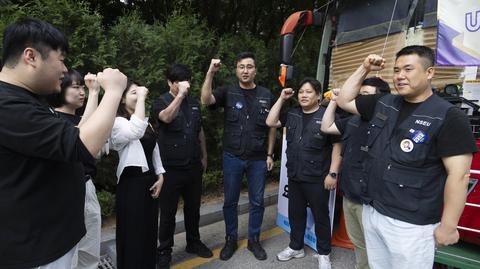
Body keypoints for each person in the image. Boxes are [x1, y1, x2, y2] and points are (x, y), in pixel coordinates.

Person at [0, 18, 127, 269]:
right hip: (38, 252)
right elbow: (81, 145)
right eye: (61, 59)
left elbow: (73, 135)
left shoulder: (28, 100)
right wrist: (113, 92)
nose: (64, 69)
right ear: (31, 56)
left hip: (52, 242)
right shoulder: (7, 104)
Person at [336, 45, 478, 268]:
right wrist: (364, 68)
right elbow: (344, 100)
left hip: (410, 225)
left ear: (429, 72)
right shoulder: (384, 101)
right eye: (396, 70)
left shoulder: (448, 116)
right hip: (373, 211)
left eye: (408, 69)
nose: (400, 76)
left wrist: (449, 226)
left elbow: (459, 175)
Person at [201, 52, 276, 261]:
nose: (245, 71)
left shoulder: (266, 95)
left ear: (255, 70)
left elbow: (271, 127)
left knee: (258, 202)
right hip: (233, 157)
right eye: (241, 67)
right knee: (230, 202)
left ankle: (254, 240)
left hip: (258, 159)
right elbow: (206, 100)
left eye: (249, 67)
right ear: (236, 70)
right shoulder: (228, 92)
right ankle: (230, 239)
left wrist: (270, 154)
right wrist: (210, 73)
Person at [266, 78, 342, 269]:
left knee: (320, 215)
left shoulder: (327, 115)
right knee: (296, 214)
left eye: (308, 92)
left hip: (317, 176)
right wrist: (282, 98)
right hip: (295, 175)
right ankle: (296, 246)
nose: (304, 95)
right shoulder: (292, 113)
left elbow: (337, 146)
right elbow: (270, 121)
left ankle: (324, 253)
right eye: (301, 92)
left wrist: (332, 173)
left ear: (318, 95)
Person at [320, 77, 390, 269]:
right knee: (358, 244)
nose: (360, 99)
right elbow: (326, 126)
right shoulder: (353, 120)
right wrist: (334, 101)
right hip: (350, 195)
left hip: (371, 202)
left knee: (376, 248)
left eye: (366, 95)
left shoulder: (387, 123)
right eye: (360, 94)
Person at [151, 64, 212, 269]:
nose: (185, 85)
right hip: (170, 168)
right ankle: (164, 251)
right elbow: (166, 118)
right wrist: (179, 96)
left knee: (193, 209)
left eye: (187, 80)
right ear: (170, 83)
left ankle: (193, 243)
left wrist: (204, 155)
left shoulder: (193, 103)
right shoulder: (161, 102)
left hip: (193, 166)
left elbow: (199, 130)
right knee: (167, 213)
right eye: (178, 82)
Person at [46, 70, 102, 269]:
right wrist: (95, 92)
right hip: (65, 192)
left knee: (90, 251)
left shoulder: (80, 119)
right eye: (75, 87)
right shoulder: (50, 118)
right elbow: (76, 138)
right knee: (69, 256)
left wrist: (94, 93)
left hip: (87, 187)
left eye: (82, 87)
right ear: (60, 89)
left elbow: (90, 128)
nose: (82, 92)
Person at [110, 80, 165, 269]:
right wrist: (142, 97)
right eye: (133, 93)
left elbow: (154, 148)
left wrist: (160, 175)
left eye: (139, 92)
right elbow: (135, 131)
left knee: (149, 231)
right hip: (131, 184)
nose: (139, 95)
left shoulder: (145, 121)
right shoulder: (118, 122)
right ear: (122, 100)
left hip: (149, 181)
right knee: (134, 233)